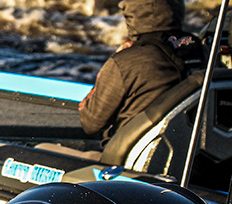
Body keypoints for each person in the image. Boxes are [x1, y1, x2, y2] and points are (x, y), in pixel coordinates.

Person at [79, 0, 204, 143]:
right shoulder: (203, 51)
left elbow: (91, 123)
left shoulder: (125, 61)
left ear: (132, 16)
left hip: (133, 151)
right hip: (190, 147)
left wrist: (105, 73)